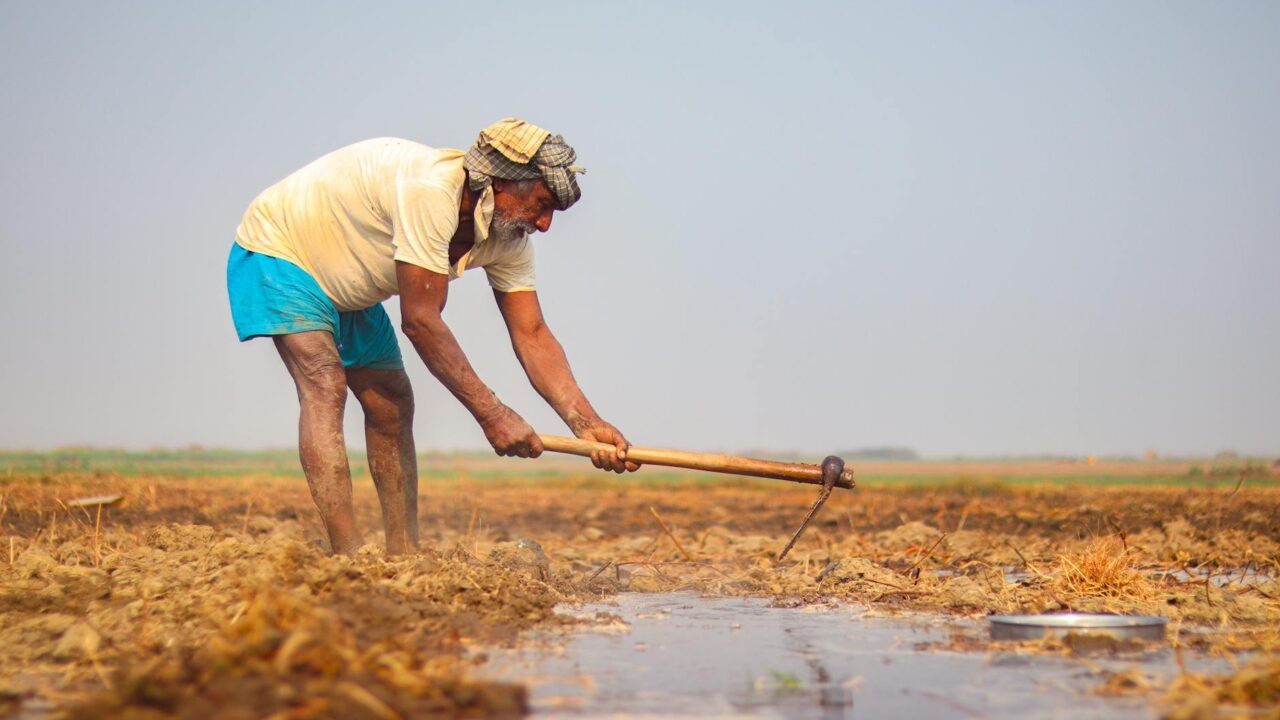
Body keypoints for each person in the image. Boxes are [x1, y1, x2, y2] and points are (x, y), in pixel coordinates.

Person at [227, 118, 639, 555]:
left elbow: (532, 333)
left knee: (391, 400)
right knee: (325, 384)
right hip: (283, 249)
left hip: (348, 278)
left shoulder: (509, 239)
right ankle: (348, 556)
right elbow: (420, 321)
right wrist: (492, 414)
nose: (544, 223)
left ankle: (403, 554)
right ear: (500, 182)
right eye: (541, 204)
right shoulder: (430, 193)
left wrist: (586, 423)